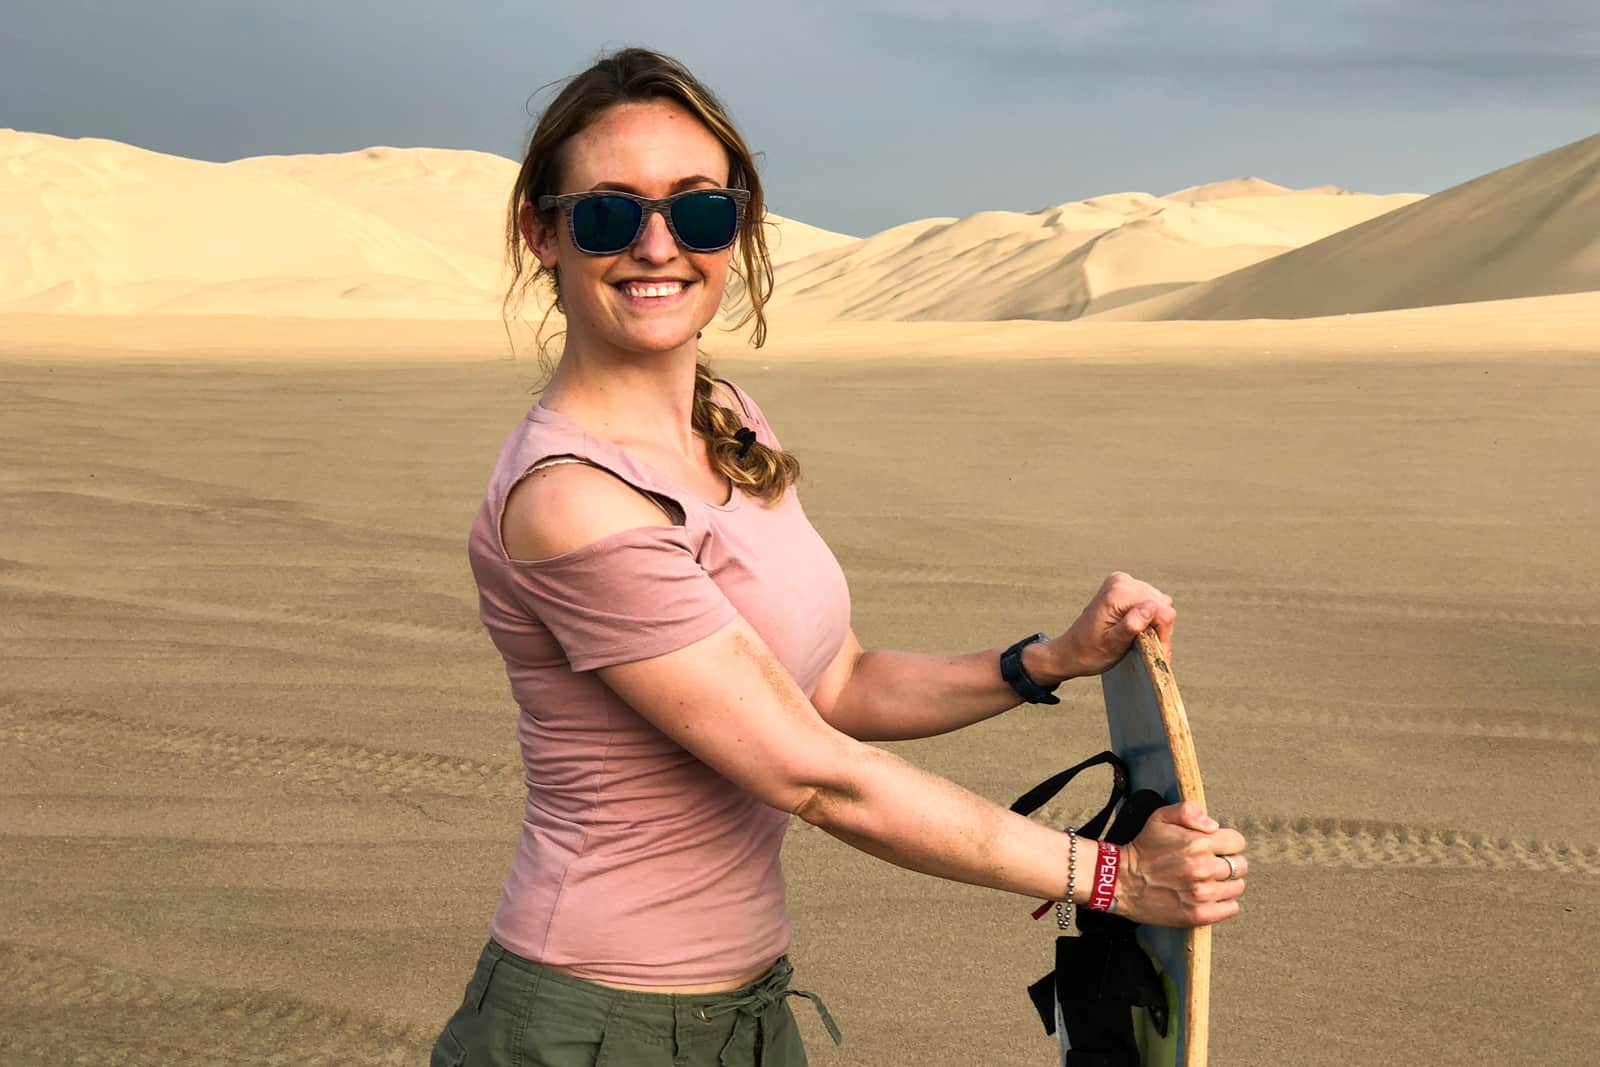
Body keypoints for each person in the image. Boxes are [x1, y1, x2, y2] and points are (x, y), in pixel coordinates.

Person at [431, 46, 1248, 1067]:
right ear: (541, 233)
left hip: (744, 1009)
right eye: (607, 212)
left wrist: (1042, 660)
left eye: (696, 212)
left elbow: (834, 682)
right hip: (594, 1022)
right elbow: (815, 776)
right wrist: (1114, 877)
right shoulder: (573, 502)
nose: (656, 246)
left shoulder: (719, 415)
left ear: (736, 229)